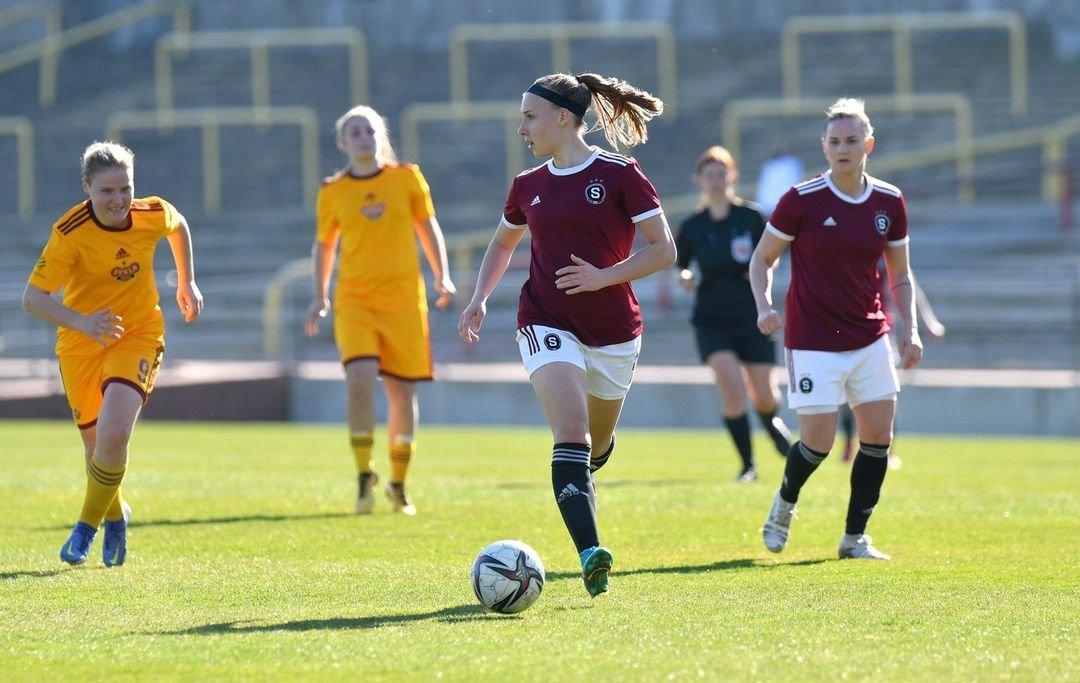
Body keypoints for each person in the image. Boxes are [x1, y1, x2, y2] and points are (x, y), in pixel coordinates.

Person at [457, 73, 675, 597]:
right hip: (545, 320)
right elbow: (502, 245)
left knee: (595, 444)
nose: (521, 128)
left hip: (615, 334)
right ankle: (590, 552)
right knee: (571, 434)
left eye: (529, 117)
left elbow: (663, 249)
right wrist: (479, 297)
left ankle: (590, 469)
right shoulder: (527, 185)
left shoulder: (621, 174)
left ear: (563, 117)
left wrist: (604, 276)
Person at [749, 97, 924, 561]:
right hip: (813, 339)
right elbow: (761, 259)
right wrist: (764, 305)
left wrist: (912, 329)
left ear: (868, 144)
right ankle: (784, 503)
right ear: (823, 147)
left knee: (878, 438)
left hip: (870, 334)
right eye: (834, 141)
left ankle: (854, 538)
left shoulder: (889, 201)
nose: (843, 148)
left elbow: (900, 274)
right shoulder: (800, 200)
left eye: (851, 140)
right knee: (818, 443)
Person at [22, 140, 203, 567]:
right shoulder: (70, 232)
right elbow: (33, 299)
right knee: (95, 448)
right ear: (87, 187)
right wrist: (83, 322)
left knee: (115, 432)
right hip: (81, 344)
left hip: (138, 333)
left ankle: (84, 529)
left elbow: (179, 227)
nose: (119, 199)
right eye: (107, 191)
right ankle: (116, 516)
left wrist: (186, 281)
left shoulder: (151, 212)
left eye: (125, 188)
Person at [305, 105, 456, 517]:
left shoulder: (407, 177)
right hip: (355, 301)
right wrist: (320, 296)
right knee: (358, 378)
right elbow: (324, 245)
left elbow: (428, 227)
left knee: (402, 392)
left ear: (380, 136)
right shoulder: (332, 190)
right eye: (354, 131)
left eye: (369, 130)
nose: (363, 137)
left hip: (405, 301)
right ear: (342, 142)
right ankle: (362, 476)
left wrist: (442, 275)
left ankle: (398, 484)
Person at [674, 146, 792, 483]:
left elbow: (773, 254)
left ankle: (771, 424)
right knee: (731, 388)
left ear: (733, 176)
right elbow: (681, 265)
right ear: (698, 180)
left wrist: (763, 271)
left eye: (721, 173)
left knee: (765, 394)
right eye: (709, 174)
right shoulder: (693, 225)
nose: (715, 180)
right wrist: (684, 278)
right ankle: (748, 465)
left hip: (752, 315)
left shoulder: (751, 217)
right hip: (712, 318)